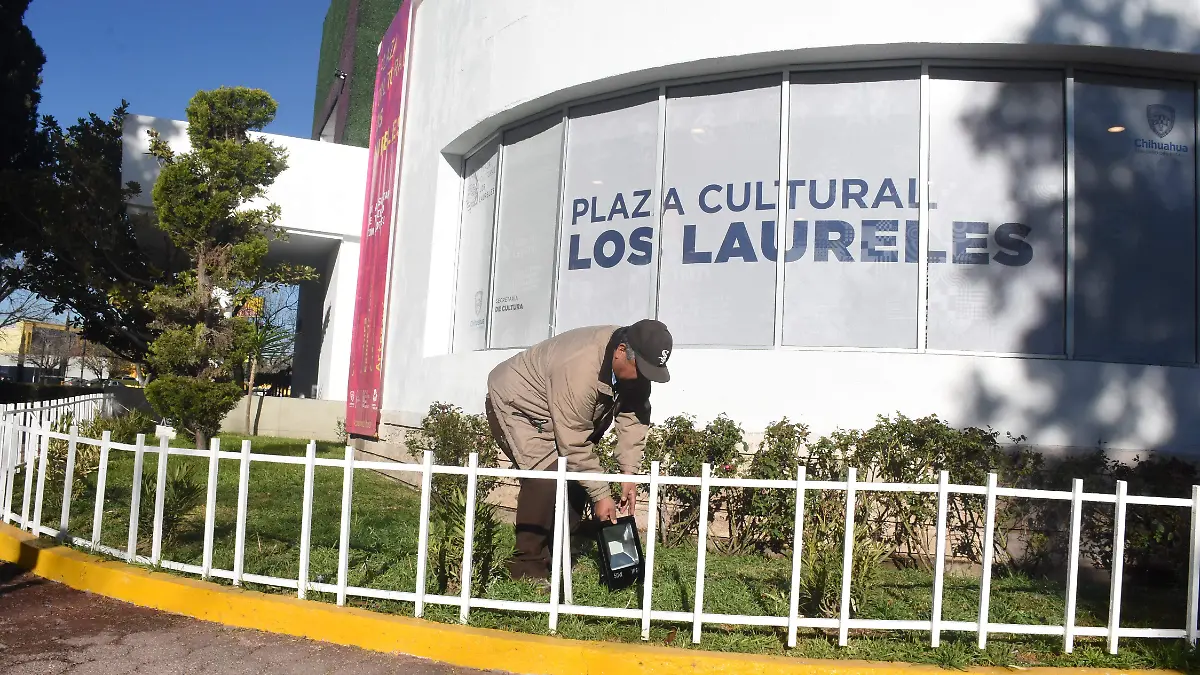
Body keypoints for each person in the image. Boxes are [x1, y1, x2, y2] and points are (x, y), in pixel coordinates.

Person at [484, 319, 673, 582]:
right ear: (621, 351)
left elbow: (633, 417)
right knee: (546, 476)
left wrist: (629, 473)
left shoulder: (634, 367)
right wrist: (601, 495)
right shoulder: (580, 366)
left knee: (577, 479)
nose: (644, 379)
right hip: (519, 404)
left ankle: (557, 550)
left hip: (559, 409)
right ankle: (527, 565)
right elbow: (573, 444)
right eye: (642, 369)